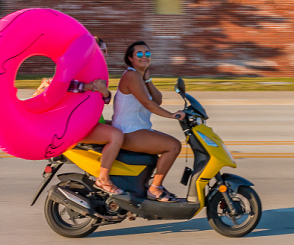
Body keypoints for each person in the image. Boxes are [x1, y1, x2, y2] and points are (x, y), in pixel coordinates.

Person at [33, 37, 124, 195]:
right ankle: (103, 178)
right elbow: (61, 84)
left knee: (123, 128)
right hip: (76, 125)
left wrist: (104, 92)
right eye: (102, 51)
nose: (105, 55)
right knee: (116, 136)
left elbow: (105, 99)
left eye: (106, 52)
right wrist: (89, 86)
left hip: (93, 121)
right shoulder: (77, 68)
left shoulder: (98, 71)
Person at [112, 40, 186, 202]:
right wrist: (171, 115)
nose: (144, 56)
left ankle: (148, 185)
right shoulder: (131, 75)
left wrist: (148, 79)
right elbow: (147, 103)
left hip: (138, 128)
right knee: (173, 146)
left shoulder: (139, 77)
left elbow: (157, 100)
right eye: (139, 54)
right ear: (131, 58)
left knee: (168, 145)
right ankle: (155, 188)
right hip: (128, 130)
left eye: (147, 53)